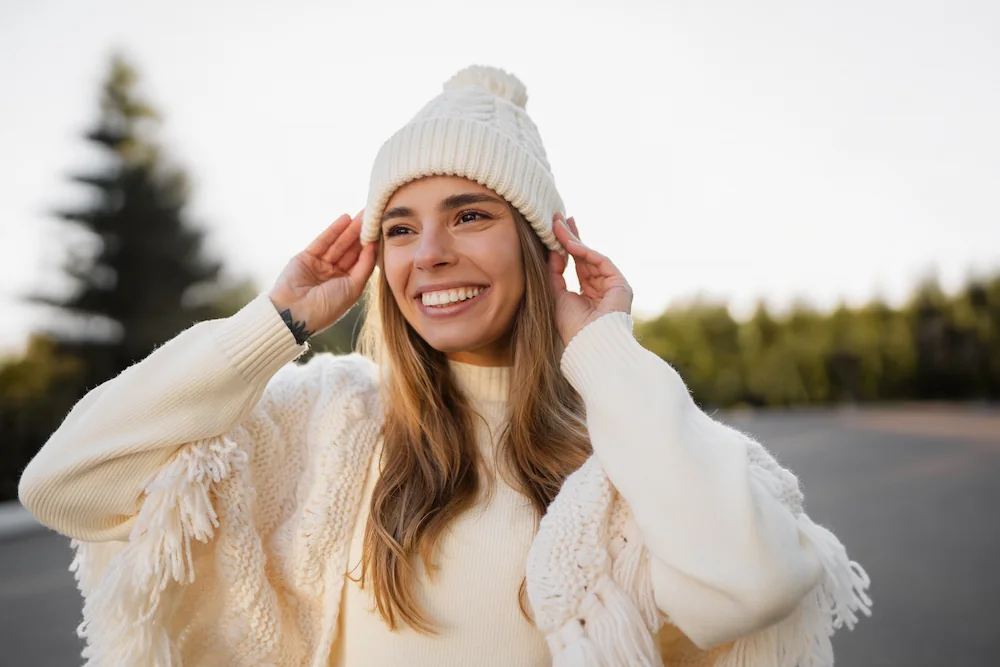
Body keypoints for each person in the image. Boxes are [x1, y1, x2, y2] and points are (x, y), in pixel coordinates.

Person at [18, 65, 871, 667]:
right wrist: (273, 324)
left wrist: (605, 350)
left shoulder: (626, 454)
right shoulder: (322, 424)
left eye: (468, 215)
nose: (428, 253)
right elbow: (66, 482)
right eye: (399, 227)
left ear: (543, 250)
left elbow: (753, 583)